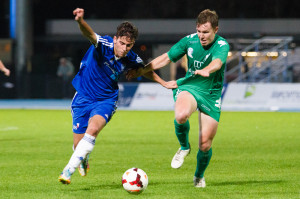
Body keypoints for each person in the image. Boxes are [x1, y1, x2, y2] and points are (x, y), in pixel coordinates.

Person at [58, 8, 175, 184]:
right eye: (121, 43)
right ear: (115, 39)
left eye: (129, 45)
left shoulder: (131, 58)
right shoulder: (103, 44)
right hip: (83, 97)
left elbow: (145, 70)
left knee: (93, 130)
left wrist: (164, 83)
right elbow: (89, 34)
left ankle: (68, 170)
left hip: (106, 100)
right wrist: (80, 21)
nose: (125, 48)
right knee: (78, 145)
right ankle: (82, 157)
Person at [127, 9, 229, 188]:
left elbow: (218, 62)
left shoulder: (222, 45)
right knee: (181, 115)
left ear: (216, 29)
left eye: (206, 32)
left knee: (205, 144)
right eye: (199, 31)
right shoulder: (189, 41)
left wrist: (208, 70)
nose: (201, 36)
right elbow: (167, 57)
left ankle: (198, 176)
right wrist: (142, 70)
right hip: (189, 86)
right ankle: (184, 147)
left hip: (211, 93)